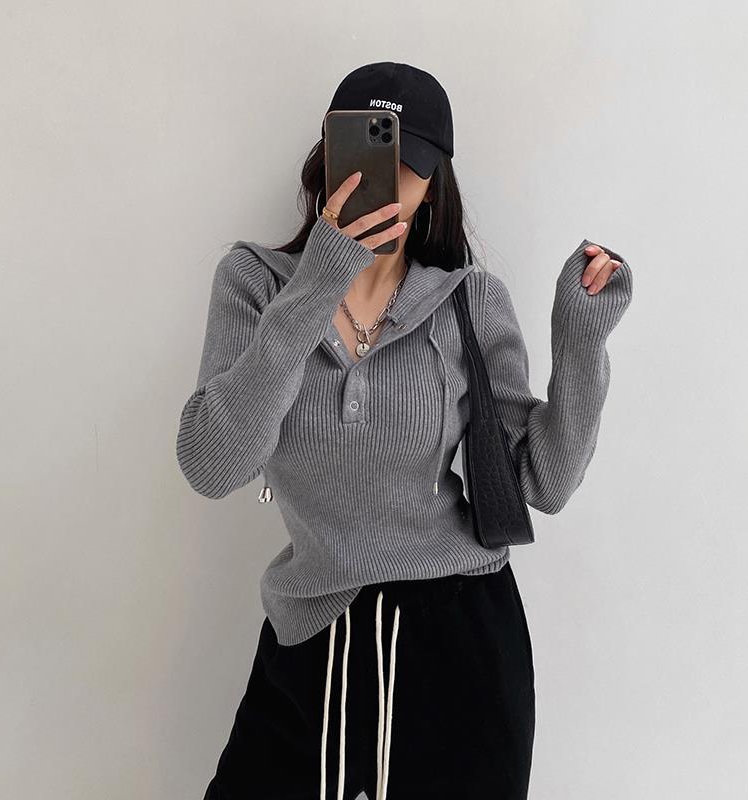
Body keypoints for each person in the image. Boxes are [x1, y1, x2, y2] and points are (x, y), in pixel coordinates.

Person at [176, 61, 633, 800]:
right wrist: (321, 278)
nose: (384, 182)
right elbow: (213, 464)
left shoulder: (470, 302)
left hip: (458, 643)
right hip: (312, 634)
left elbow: (543, 483)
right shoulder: (255, 283)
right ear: (329, 157)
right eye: (366, 152)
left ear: (434, 186)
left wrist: (582, 342)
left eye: (408, 165)